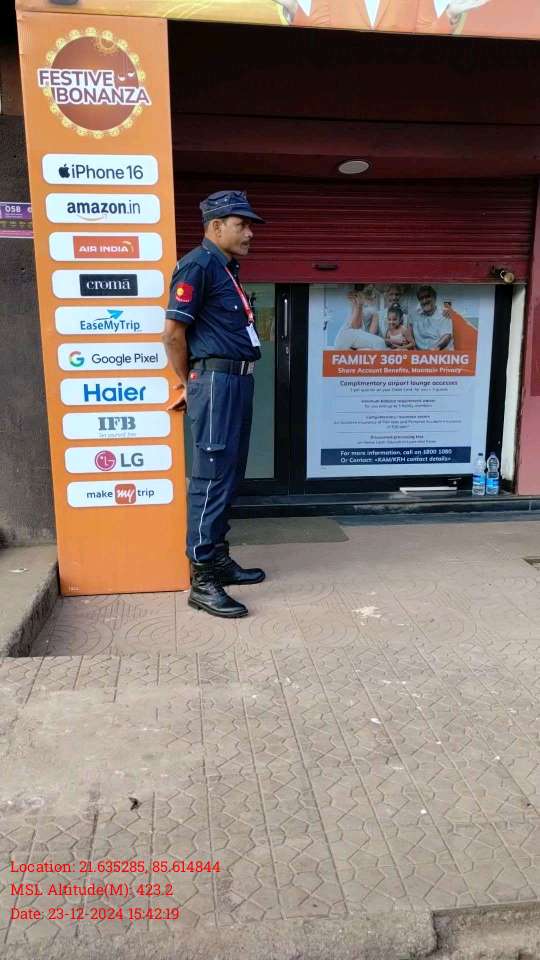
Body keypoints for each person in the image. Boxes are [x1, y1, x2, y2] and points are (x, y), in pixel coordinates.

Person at [162, 190, 266, 619]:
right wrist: (188, 382)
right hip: (216, 381)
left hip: (236, 380)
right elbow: (173, 334)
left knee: (230, 473)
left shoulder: (226, 268)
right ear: (216, 226)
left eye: (250, 225)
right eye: (242, 224)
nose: (250, 233)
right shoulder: (198, 265)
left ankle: (218, 558)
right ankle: (202, 579)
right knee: (210, 477)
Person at [411, 285, 454, 350]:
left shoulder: (444, 314)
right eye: (421, 298)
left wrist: (435, 348)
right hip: (420, 354)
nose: (424, 301)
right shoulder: (415, 315)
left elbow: (447, 336)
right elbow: (408, 329)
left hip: (440, 352)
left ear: (435, 297)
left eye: (427, 296)